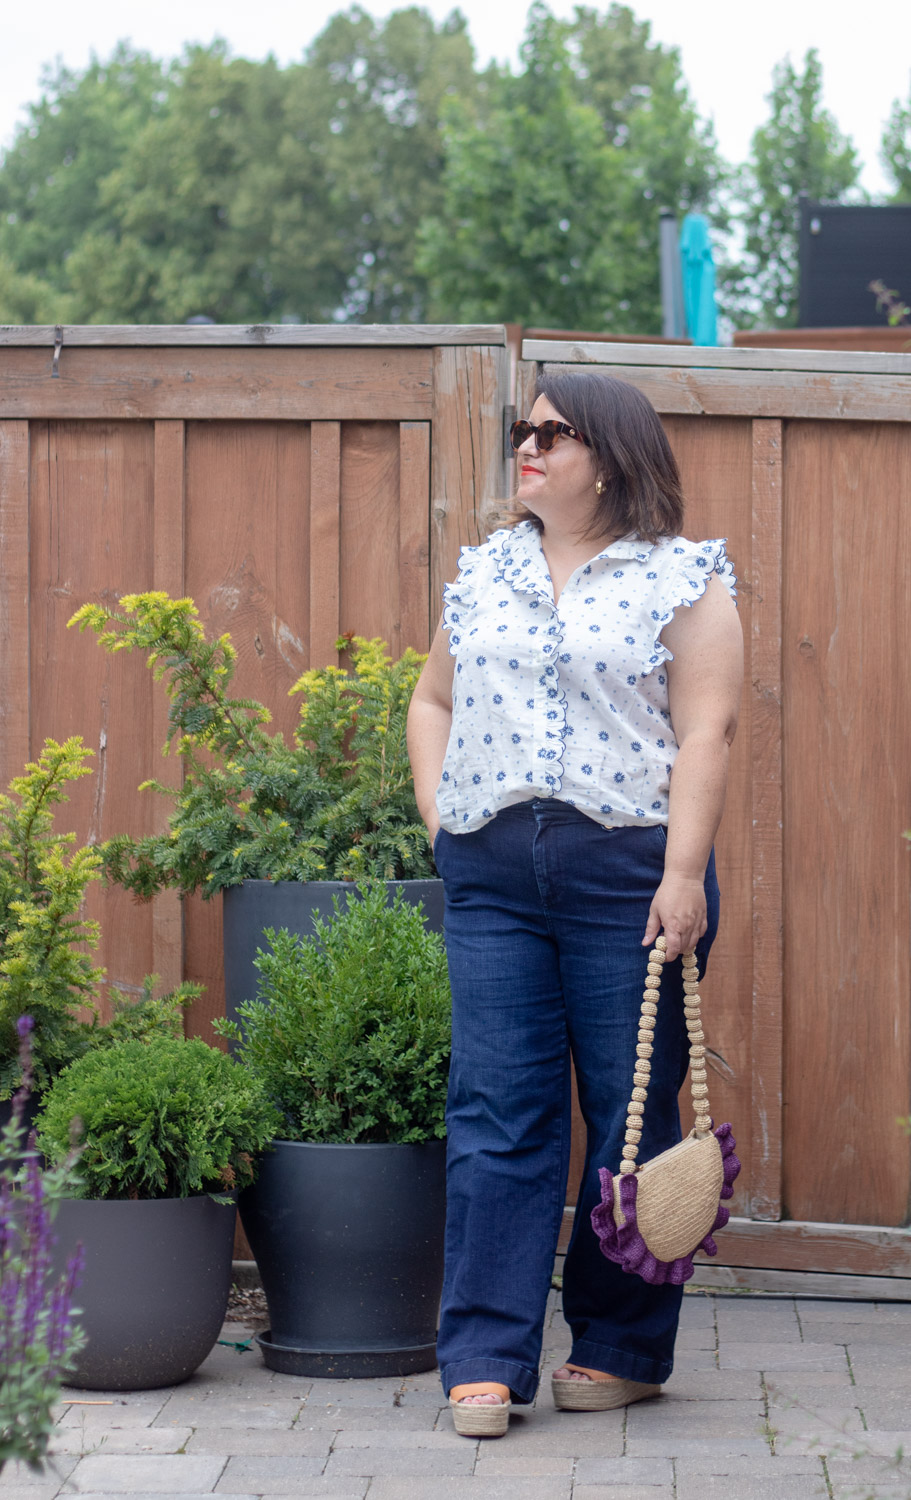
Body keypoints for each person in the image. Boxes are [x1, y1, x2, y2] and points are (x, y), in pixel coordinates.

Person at [406, 370, 743, 1439]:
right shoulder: (486, 572)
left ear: (609, 453)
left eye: (551, 432)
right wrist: (439, 819)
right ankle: (484, 1356)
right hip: (493, 873)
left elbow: (705, 734)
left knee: (630, 1115)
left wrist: (682, 874)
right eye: (523, 429)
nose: (527, 445)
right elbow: (431, 701)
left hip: (628, 876)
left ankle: (619, 1349)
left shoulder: (679, 578)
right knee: (497, 1115)